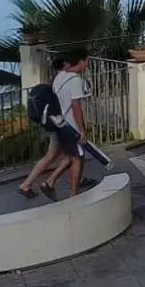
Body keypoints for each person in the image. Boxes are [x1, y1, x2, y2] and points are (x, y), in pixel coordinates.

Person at [40, 48, 93, 199]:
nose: (88, 64)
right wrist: (82, 130)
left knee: (70, 156)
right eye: (87, 61)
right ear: (81, 61)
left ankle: (50, 182)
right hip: (71, 126)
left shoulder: (60, 77)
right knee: (78, 157)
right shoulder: (76, 81)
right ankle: (73, 194)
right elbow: (76, 107)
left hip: (60, 123)